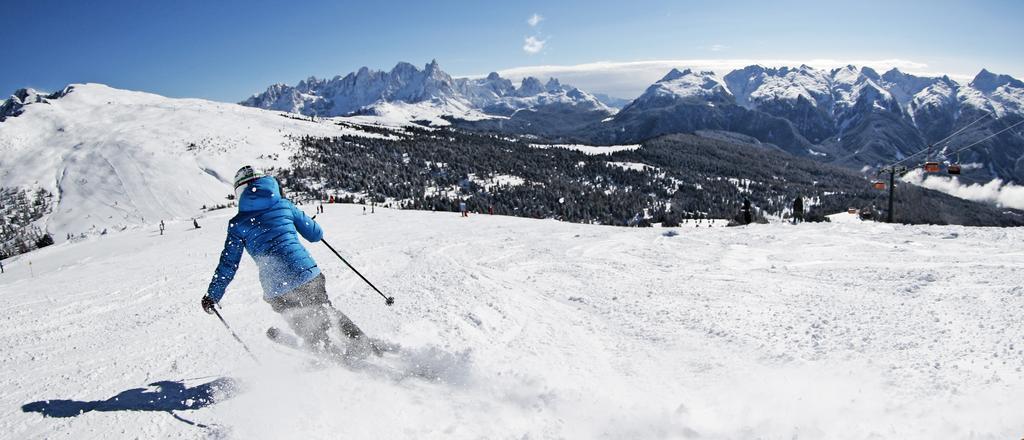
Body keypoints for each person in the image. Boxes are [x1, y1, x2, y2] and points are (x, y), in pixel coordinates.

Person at [202, 166, 376, 358]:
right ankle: (359, 344)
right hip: (305, 272)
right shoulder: (284, 206)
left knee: (303, 322)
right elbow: (316, 234)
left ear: (239, 192)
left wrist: (213, 295)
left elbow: (228, 264)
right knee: (325, 311)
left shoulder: (238, 224)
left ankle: (326, 352)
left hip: (276, 287)